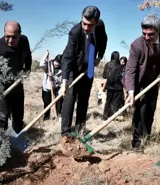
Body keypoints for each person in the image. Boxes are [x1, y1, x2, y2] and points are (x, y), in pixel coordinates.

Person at [124, 14, 160, 152]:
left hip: (155, 80)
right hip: (139, 81)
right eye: (144, 34)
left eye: (151, 34)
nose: (147, 37)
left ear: (159, 30)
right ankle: (136, 144)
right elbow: (130, 70)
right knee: (140, 111)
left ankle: (146, 138)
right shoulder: (136, 45)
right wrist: (130, 91)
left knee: (150, 110)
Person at [59, 5, 108, 142]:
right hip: (74, 66)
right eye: (84, 23)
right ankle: (65, 133)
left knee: (84, 99)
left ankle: (80, 130)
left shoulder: (100, 26)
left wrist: (99, 57)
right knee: (69, 99)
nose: (86, 28)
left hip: (89, 65)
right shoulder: (75, 32)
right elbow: (68, 56)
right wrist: (64, 82)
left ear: (96, 23)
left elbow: (104, 40)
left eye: (90, 25)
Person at [0, 21, 32, 134]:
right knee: (2, 118)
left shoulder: (24, 41)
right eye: (7, 36)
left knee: (18, 116)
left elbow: (28, 56)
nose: (10, 41)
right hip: (1, 88)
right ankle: (2, 144)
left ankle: (17, 138)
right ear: (4, 33)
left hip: (17, 84)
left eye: (14, 37)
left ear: (20, 34)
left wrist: (26, 71)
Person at [40, 52, 63, 120]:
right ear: (54, 60)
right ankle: (46, 117)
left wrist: (53, 78)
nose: (57, 63)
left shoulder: (62, 68)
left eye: (59, 62)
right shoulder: (49, 64)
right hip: (47, 87)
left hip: (56, 87)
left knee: (59, 102)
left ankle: (58, 116)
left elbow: (61, 80)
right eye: (56, 61)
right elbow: (41, 64)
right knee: (47, 103)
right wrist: (45, 55)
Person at [102, 51, 125, 120]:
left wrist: (104, 87)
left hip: (109, 87)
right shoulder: (121, 66)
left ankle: (105, 117)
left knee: (108, 102)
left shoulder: (107, 65)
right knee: (115, 103)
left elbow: (104, 77)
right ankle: (111, 118)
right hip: (118, 88)